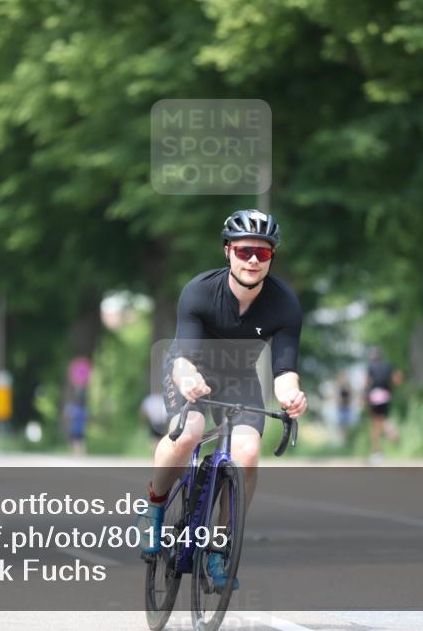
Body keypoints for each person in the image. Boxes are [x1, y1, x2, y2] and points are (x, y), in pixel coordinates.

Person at [139, 209, 307, 589]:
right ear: (228, 251)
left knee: (247, 452)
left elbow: (284, 372)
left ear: (272, 259)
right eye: (245, 251)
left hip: (239, 377)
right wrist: (189, 379)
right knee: (190, 431)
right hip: (189, 370)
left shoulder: (284, 304)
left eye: (262, 254)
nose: (252, 260)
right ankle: (154, 507)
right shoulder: (199, 291)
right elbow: (182, 357)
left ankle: (219, 548)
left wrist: (292, 396)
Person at [365, 348, 399, 463]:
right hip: (386, 396)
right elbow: (396, 379)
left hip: (375, 397)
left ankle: (377, 454)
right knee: (384, 419)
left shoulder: (371, 368)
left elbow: (367, 382)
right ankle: (392, 431)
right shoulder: (388, 366)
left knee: (375, 426)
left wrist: (365, 396)